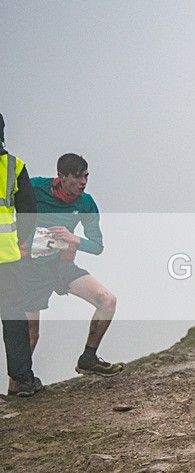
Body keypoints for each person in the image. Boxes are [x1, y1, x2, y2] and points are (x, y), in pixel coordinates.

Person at [24, 153, 123, 377]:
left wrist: (73, 239)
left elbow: (97, 246)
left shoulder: (86, 203)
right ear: (61, 177)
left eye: (86, 176)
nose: (83, 182)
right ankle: (19, 384)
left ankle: (88, 358)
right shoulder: (35, 187)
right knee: (31, 335)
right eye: (77, 177)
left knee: (107, 301)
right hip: (32, 269)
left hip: (61, 265)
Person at [0, 112, 42, 397]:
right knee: (14, 320)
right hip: (7, 257)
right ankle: (23, 381)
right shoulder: (14, 166)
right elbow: (28, 210)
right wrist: (22, 240)